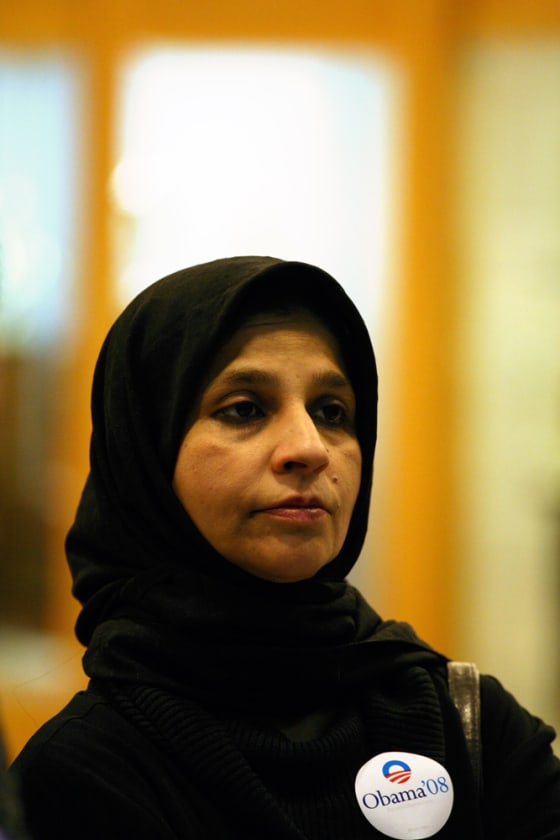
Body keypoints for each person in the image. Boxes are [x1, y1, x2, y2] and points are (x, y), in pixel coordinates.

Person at [9, 256, 560, 839]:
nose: (310, 447)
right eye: (244, 409)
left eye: (332, 412)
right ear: (146, 456)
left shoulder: (464, 718)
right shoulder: (84, 776)